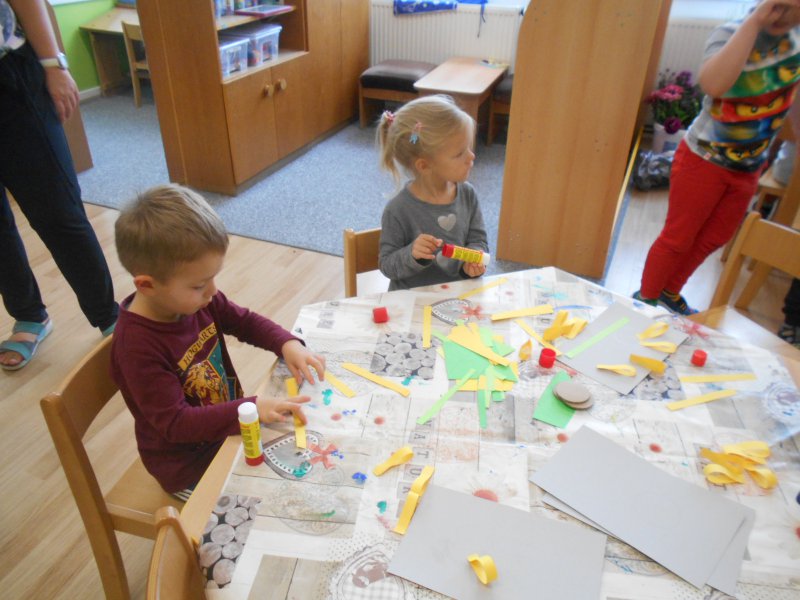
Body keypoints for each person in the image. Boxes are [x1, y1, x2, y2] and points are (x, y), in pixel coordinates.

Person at [111, 184, 326, 498]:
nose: (212, 291)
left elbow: (244, 322)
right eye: (199, 285)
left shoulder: (196, 301)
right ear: (147, 285)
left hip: (232, 429)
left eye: (213, 277)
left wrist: (286, 343)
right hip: (190, 467)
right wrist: (250, 408)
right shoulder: (136, 348)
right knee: (279, 498)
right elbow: (176, 423)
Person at [634, 0, 800, 315]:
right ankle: (645, 300)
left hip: (749, 166)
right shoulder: (732, 33)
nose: (785, 18)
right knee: (678, 238)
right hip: (703, 160)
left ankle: (669, 292)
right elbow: (713, 84)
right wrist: (755, 23)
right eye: (780, 9)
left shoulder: (795, 41)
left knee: (716, 236)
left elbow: (793, 93)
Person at [0, 0, 119, 370]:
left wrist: (53, 64)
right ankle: (28, 315)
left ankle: (110, 319)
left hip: (9, 76)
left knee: (58, 211)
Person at [376, 94, 489, 291]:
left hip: (458, 296)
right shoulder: (398, 209)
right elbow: (387, 265)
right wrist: (412, 254)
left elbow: (478, 240)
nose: (471, 156)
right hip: (411, 301)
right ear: (424, 165)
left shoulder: (468, 194)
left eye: (469, 148)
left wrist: (472, 261)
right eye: (459, 153)